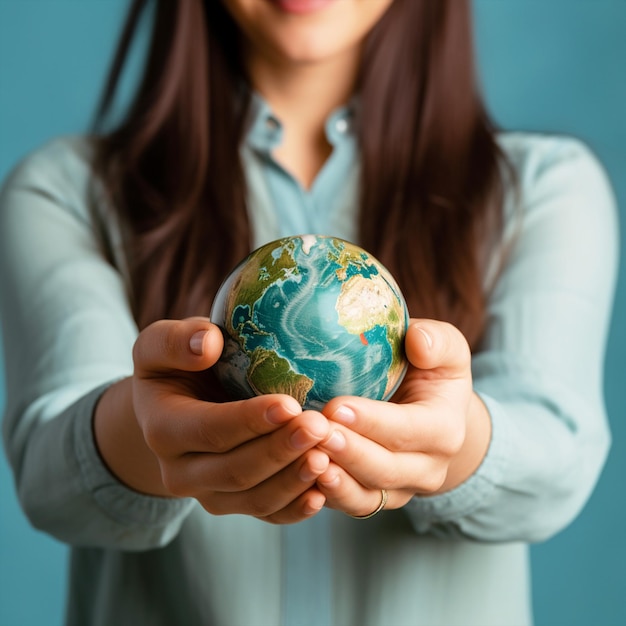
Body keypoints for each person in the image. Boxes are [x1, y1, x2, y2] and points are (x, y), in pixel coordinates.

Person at [0, 0, 618, 624]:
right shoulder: (65, 192)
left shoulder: (542, 189)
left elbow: (556, 455)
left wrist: (450, 444)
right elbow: (52, 477)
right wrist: (150, 432)